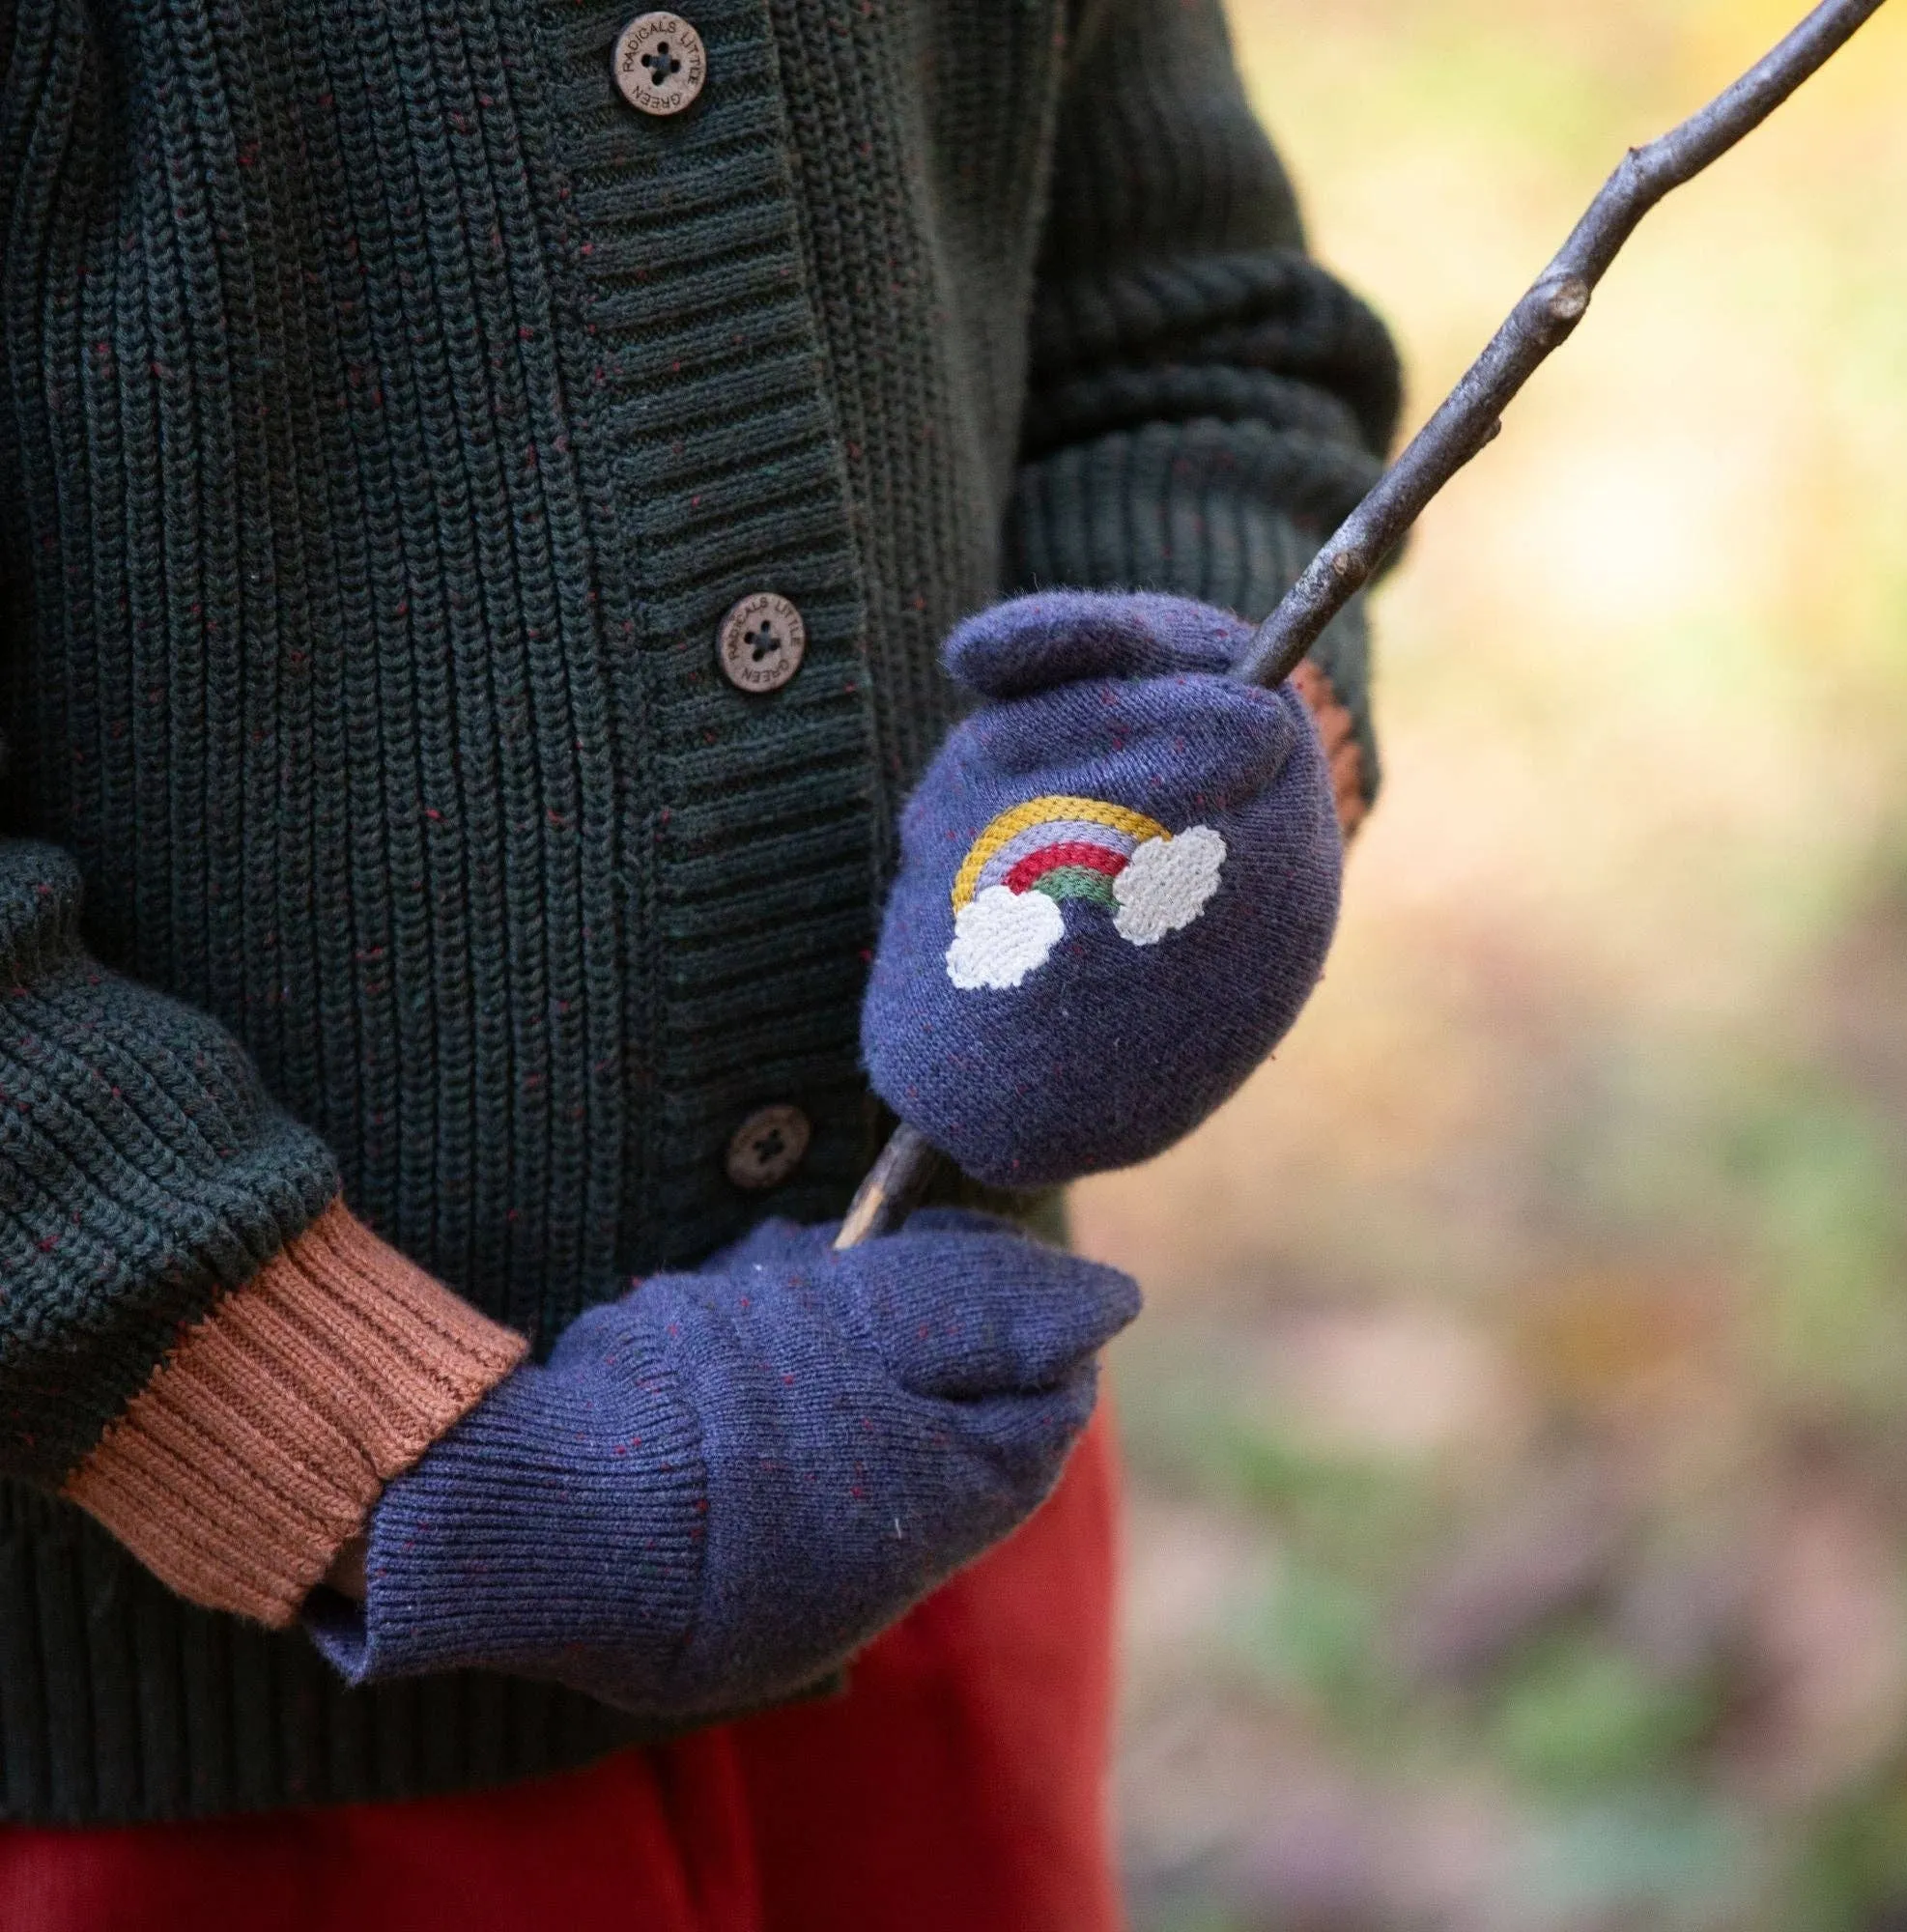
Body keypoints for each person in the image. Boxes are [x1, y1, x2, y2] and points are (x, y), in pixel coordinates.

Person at [0, 0, 1398, 1921]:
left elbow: (1187, 336)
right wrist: (347, 1443)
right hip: (177, 1720)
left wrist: (1207, 750)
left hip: (915, 1544)